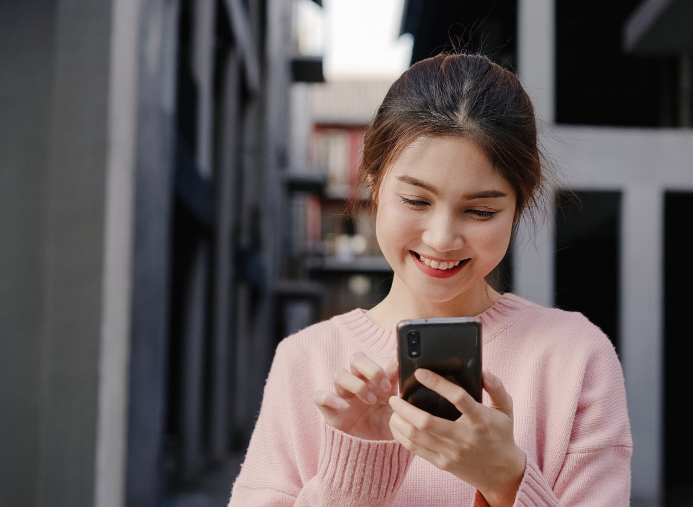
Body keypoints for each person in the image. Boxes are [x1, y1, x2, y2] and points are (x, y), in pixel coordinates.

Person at [228, 53, 632, 507]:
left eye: (480, 211)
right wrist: (355, 474)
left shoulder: (575, 356)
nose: (441, 239)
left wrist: (506, 480)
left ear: (520, 205)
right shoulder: (306, 361)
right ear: (374, 184)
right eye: (416, 200)